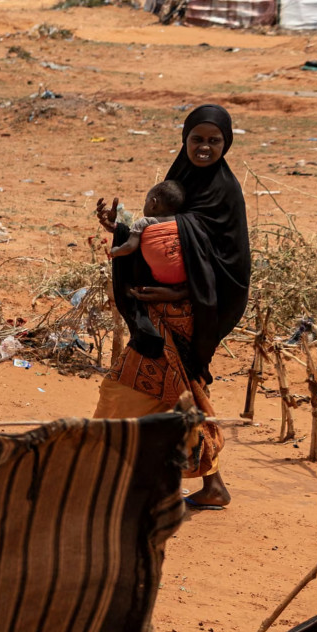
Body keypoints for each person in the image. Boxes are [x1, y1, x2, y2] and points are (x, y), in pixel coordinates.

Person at [93, 105, 251, 510]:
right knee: (180, 393)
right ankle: (209, 482)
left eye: (214, 140)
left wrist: (179, 294)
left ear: (226, 143)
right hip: (162, 311)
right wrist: (122, 228)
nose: (204, 147)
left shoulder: (226, 193)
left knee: (130, 388)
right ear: (185, 139)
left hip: (190, 312)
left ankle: (102, 473)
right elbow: (161, 229)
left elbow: (229, 266)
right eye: (197, 138)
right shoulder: (179, 177)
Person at [105, 180, 187, 281]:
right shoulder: (184, 223)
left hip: (159, 279)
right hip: (185, 278)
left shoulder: (144, 222)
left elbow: (130, 246)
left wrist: (115, 251)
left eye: (145, 201)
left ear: (153, 203)